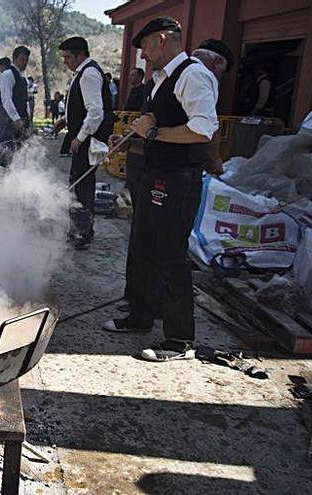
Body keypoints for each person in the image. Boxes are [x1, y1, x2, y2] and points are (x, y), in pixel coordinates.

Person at [101, 17, 218, 363]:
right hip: (154, 173)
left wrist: (153, 134)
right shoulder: (161, 79)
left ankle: (180, 340)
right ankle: (140, 316)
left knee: (170, 255)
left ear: (163, 40)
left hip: (179, 179)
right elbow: (155, 124)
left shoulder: (192, 75)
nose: (143, 56)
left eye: (146, 48)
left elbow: (202, 130)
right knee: (142, 247)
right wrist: (132, 140)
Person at [52, 36, 114, 249]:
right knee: (79, 183)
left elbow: (96, 112)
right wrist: (65, 120)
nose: (65, 61)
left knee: (81, 186)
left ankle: (82, 233)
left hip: (88, 141)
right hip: (85, 138)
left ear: (81, 54)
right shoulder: (83, 73)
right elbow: (81, 106)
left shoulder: (89, 74)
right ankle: (80, 229)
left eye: (68, 57)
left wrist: (79, 138)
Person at [192, 38, 234, 174]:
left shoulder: (173, 70)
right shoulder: (204, 77)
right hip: (182, 161)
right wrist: (214, 159)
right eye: (222, 71)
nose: (219, 76)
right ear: (218, 61)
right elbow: (207, 123)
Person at [0, 46, 31, 152]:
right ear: (14, 58)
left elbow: (25, 101)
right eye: (22, 60)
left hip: (20, 122)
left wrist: (27, 118)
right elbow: (6, 100)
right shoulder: (7, 75)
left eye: (26, 60)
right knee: (5, 151)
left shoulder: (23, 78)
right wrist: (16, 119)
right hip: (8, 121)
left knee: (17, 152)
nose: (25, 63)